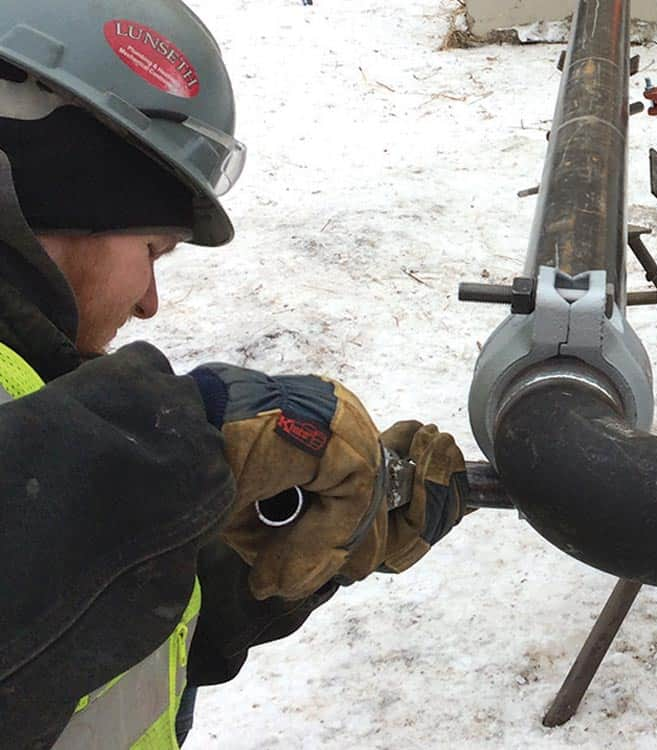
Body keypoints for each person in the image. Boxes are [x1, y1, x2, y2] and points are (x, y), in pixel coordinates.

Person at [0, 2, 470, 748]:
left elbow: (66, 653)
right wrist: (189, 433)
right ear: (69, 194)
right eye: (153, 250)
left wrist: (267, 558)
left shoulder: (33, 381)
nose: (151, 303)